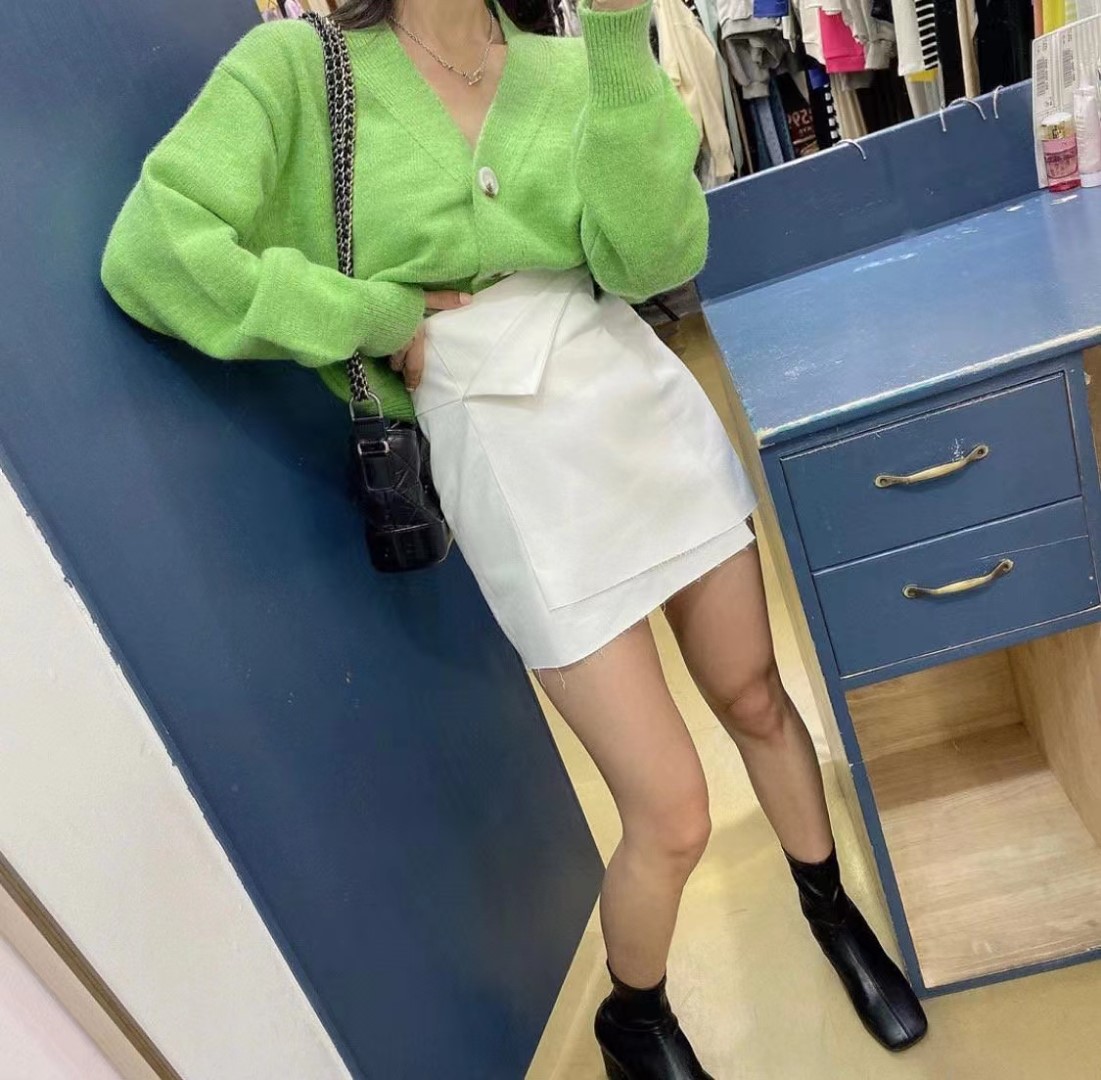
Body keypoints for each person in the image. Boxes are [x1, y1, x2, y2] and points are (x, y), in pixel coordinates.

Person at [99, 1, 927, 1075]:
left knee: (757, 695)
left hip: (634, 401)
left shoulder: (572, 65)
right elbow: (155, 251)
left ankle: (830, 911)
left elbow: (654, 258)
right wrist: (370, 317)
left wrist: (620, 40)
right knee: (671, 810)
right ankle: (637, 1017)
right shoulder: (301, 67)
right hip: (501, 449)